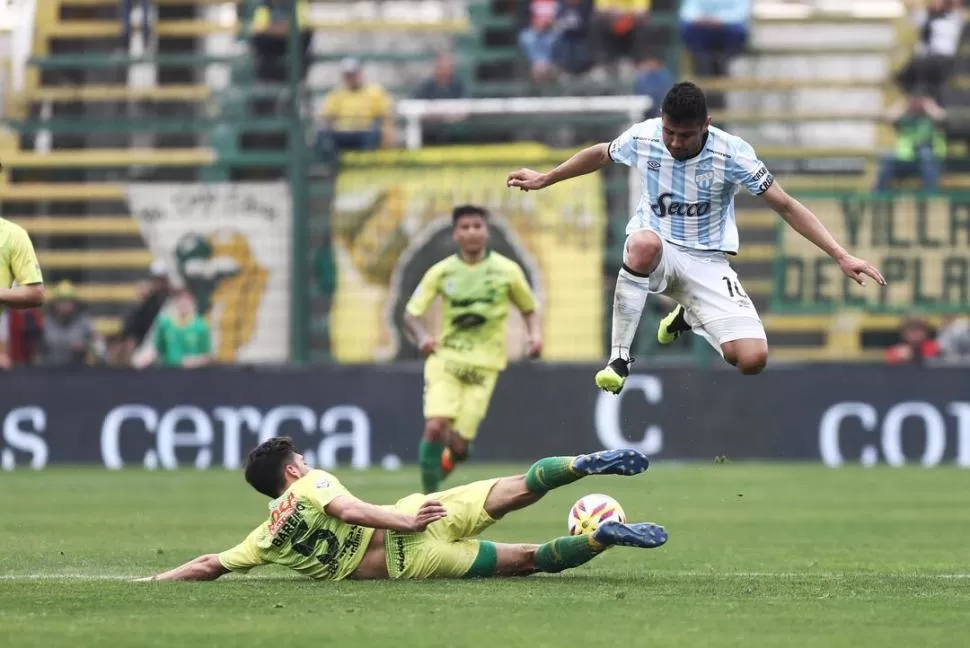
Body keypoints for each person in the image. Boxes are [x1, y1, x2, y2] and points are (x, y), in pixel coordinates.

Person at [506, 82, 886, 393]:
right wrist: (546, 178)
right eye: (669, 131)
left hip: (708, 261)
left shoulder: (733, 154)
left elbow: (785, 205)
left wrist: (840, 255)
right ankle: (619, 358)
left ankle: (688, 315)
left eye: (684, 135)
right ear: (662, 121)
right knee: (642, 243)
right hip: (659, 249)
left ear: (706, 123)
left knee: (752, 360)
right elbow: (601, 154)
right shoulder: (645, 137)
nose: (674, 142)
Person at [137, 437, 667, 582]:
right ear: (292, 472)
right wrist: (404, 519)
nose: (306, 462)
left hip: (408, 565)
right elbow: (346, 509)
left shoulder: (265, 538)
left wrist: (158, 580)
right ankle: (581, 464)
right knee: (519, 486)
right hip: (420, 514)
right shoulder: (312, 483)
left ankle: (602, 537)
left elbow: (210, 565)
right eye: (301, 458)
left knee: (529, 558)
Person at [404, 205, 542, 494]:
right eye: (464, 227)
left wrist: (535, 336)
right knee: (435, 427)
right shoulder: (441, 272)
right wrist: (422, 338)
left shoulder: (507, 271)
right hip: (447, 359)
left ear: (486, 231)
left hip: (484, 366)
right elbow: (411, 314)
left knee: (458, 445)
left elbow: (529, 309)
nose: (471, 232)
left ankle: (455, 453)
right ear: (456, 234)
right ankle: (429, 500)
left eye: (477, 226)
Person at [319, 58, 394, 152]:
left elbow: (385, 116)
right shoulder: (336, 93)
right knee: (323, 136)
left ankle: (366, 163)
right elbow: (327, 117)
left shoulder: (375, 92)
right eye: (348, 76)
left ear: (360, 74)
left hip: (365, 131)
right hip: (343, 132)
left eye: (353, 74)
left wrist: (387, 134)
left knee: (374, 135)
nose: (351, 78)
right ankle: (330, 165)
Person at [874, 94, 947, 192]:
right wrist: (904, 104)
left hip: (925, 159)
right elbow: (888, 117)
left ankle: (929, 195)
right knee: (886, 157)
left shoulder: (930, 117)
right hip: (904, 158)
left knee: (926, 155)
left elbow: (941, 117)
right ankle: (879, 196)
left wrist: (928, 105)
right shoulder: (905, 115)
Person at [133, 286, 212, 369]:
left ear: (192, 303)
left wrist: (194, 361)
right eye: (180, 301)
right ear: (175, 303)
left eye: (186, 301)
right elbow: (157, 348)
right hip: (169, 373)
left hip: (194, 374)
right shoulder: (166, 324)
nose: (183, 305)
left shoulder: (201, 326)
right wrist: (144, 358)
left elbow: (207, 356)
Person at [41, 280, 98, 366]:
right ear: (54, 304)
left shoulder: (84, 322)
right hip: (51, 370)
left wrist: (86, 346)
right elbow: (44, 345)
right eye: (61, 301)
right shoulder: (45, 322)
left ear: (75, 303)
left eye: (68, 301)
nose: (65, 305)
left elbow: (96, 345)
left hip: (78, 371)